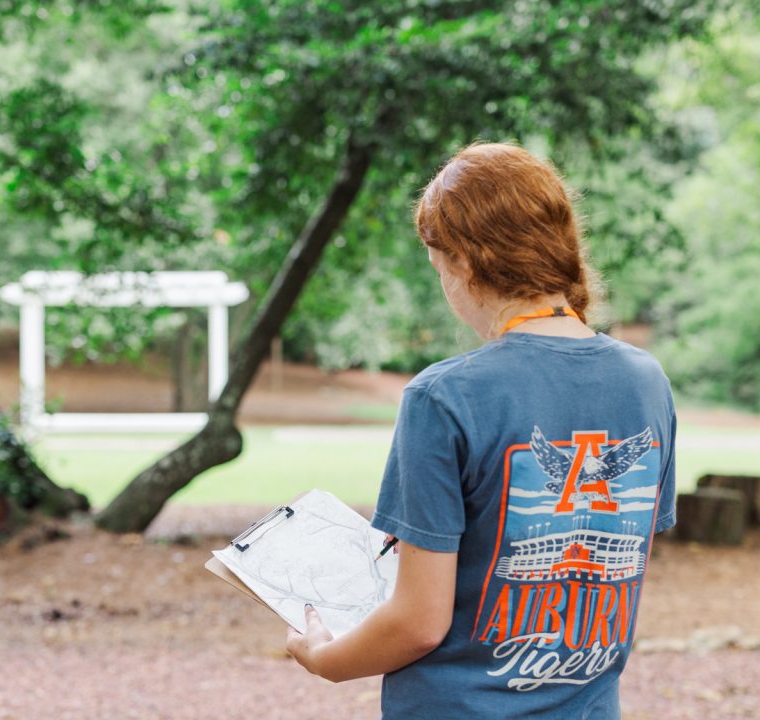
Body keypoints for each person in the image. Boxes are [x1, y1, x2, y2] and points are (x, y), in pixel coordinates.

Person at [285, 142, 677, 719]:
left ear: (464, 262)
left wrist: (325, 657)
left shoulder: (443, 397)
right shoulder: (647, 380)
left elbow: (418, 624)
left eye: (437, 264)